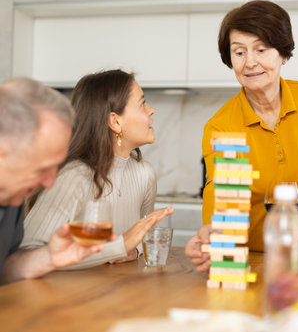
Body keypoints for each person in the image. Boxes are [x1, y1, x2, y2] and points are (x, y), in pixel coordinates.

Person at [185, 0, 298, 272]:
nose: (250, 62)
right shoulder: (221, 125)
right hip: (252, 260)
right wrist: (213, 232)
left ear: (283, 53)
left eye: (261, 49)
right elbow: (219, 191)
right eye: (239, 52)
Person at [22, 69, 173, 269]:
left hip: (120, 292)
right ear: (115, 122)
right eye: (142, 104)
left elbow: (139, 240)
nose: (151, 110)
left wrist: (133, 250)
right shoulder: (73, 177)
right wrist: (118, 247)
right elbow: (27, 252)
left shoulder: (145, 174)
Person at [0, 77, 112, 284]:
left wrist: (50, 256)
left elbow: (4, 269)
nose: (50, 182)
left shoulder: (13, 196)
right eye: (42, 168)